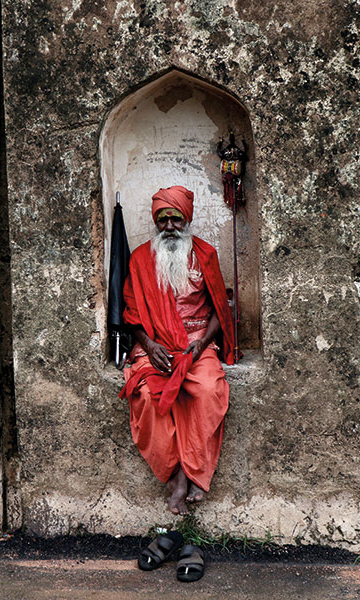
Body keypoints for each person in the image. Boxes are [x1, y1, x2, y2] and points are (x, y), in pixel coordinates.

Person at [119, 185, 236, 515]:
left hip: (196, 345)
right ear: (156, 222)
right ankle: (177, 477)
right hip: (155, 347)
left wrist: (201, 344)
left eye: (176, 219)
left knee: (209, 390)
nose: (169, 227)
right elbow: (132, 313)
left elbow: (219, 310)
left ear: (187, 219)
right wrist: (150, 345)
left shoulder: (206, 254)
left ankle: (190, 473)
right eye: (163, 220)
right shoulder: (141, 259)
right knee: (145, 396)